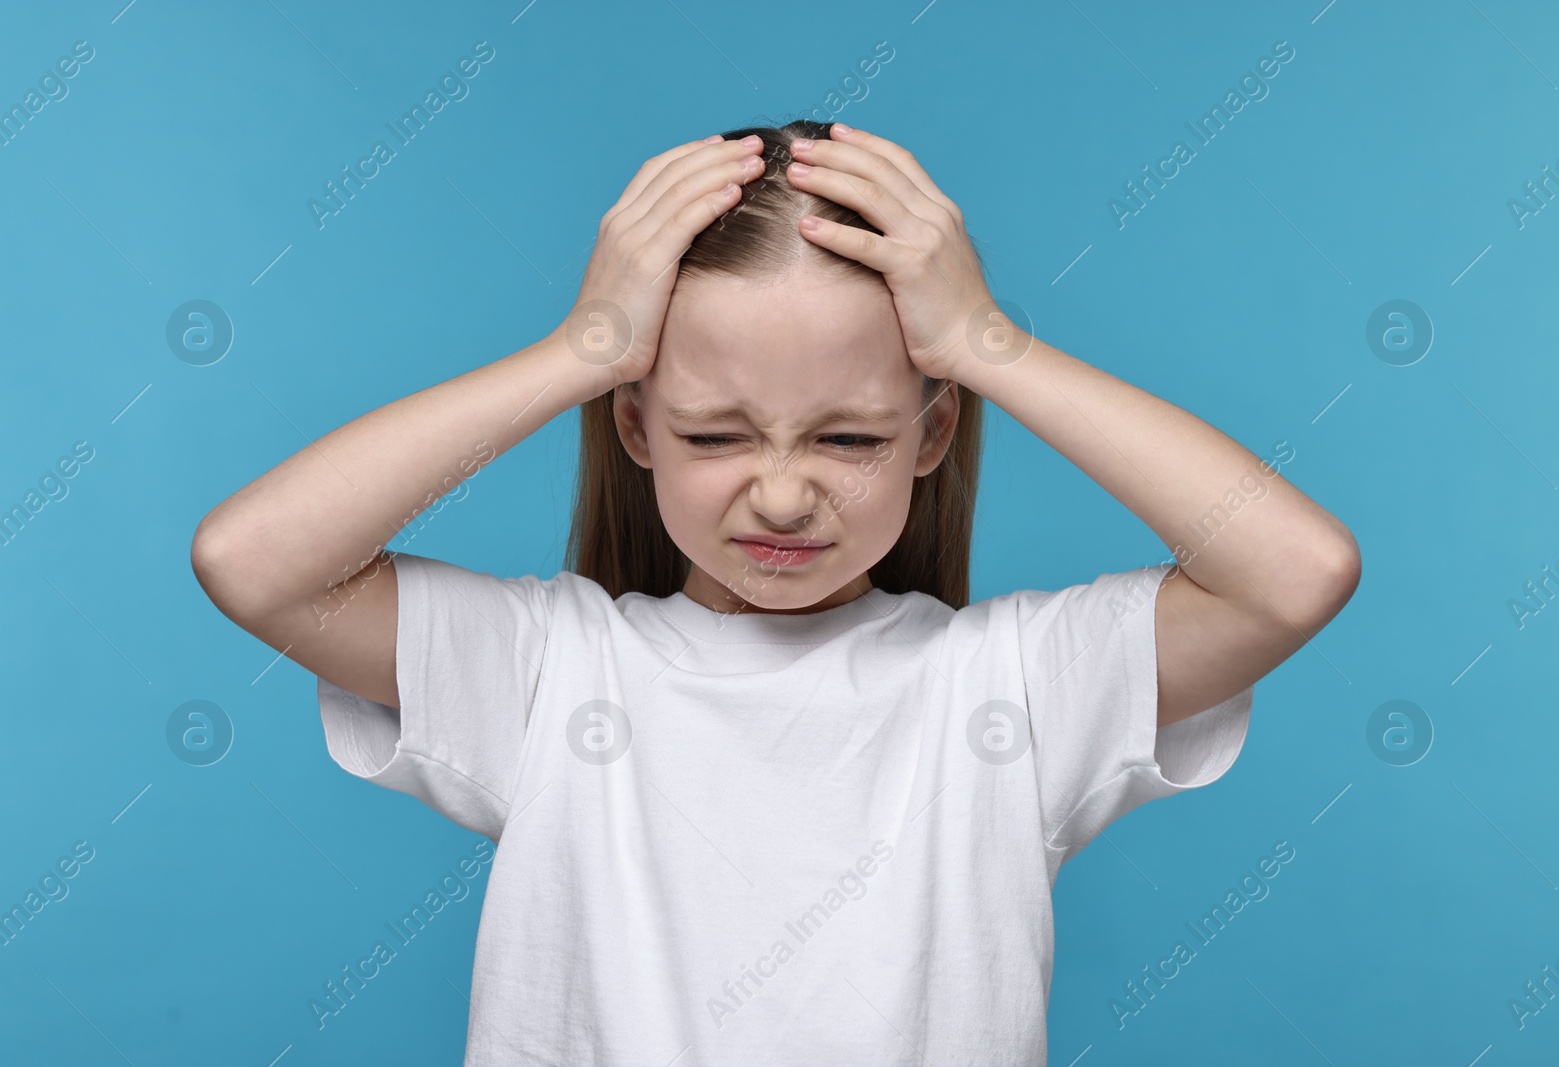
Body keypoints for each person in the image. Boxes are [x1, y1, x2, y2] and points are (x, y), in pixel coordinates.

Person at [191, 118, 1360, 1064]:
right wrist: (582, 350)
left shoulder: (1012, 688)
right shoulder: (551, 672)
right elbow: (256, 560)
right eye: (714, 434)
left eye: (849, 436)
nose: (785, 496)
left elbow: (1293, 572)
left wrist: (989, 342)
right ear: (637, 426)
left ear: (931, 430)